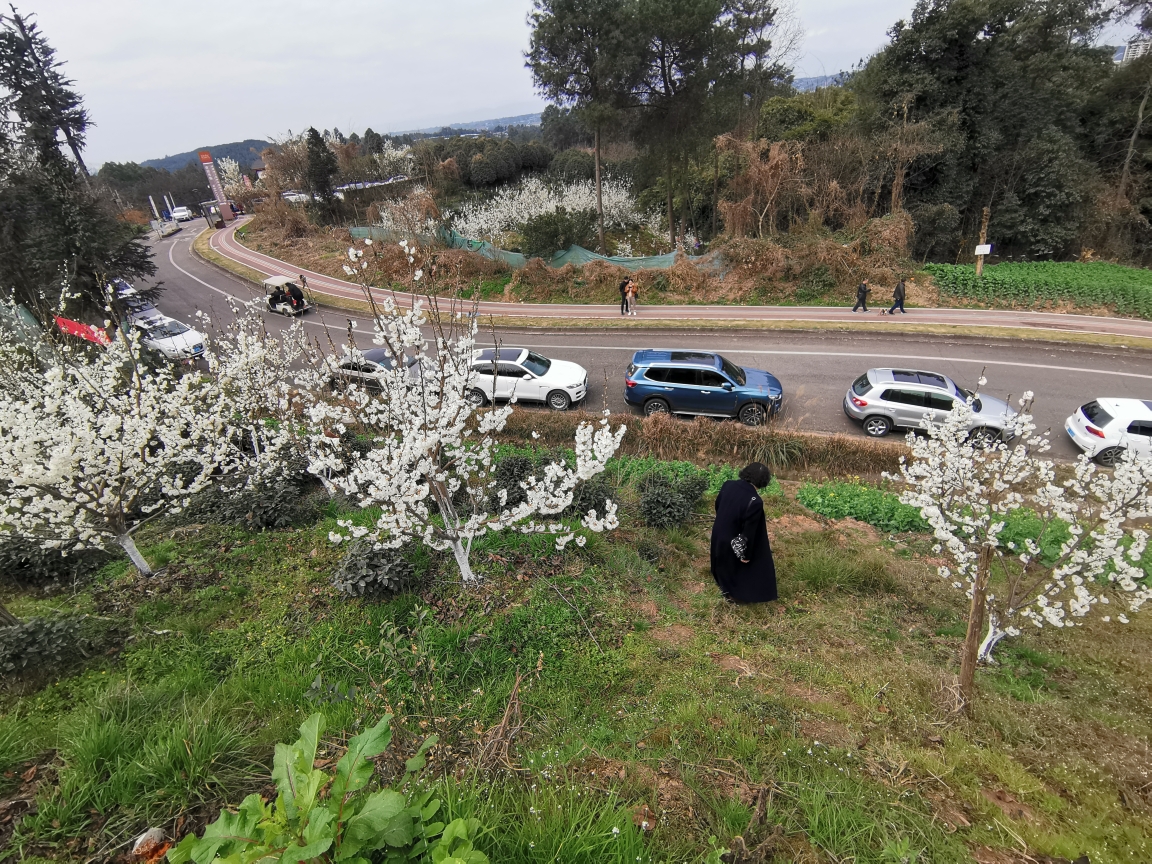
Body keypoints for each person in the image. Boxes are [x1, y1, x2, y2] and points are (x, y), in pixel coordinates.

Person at [710, 462, 777, 603]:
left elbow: (718, 506)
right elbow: (749, 533)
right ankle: (737, 594)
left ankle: (722, 582)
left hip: (717, 538)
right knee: (760, 554)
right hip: (731, 544)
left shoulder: (728, 485)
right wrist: (745, 555)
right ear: (764, 481)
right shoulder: (755, 501)